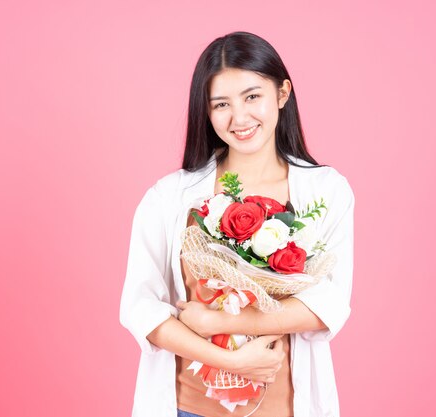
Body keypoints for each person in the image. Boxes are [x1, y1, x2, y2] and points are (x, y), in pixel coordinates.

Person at [119, 31, 355, 417]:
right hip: (188, 408)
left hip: (287, 408)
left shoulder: (326, 191)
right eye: (221, 104)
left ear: (282, 94)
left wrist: (214, 319)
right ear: (206, 112)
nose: (239, 117)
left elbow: (327, 303)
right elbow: (141, 308)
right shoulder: (168, 197)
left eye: (252, 97)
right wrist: (229, 361)